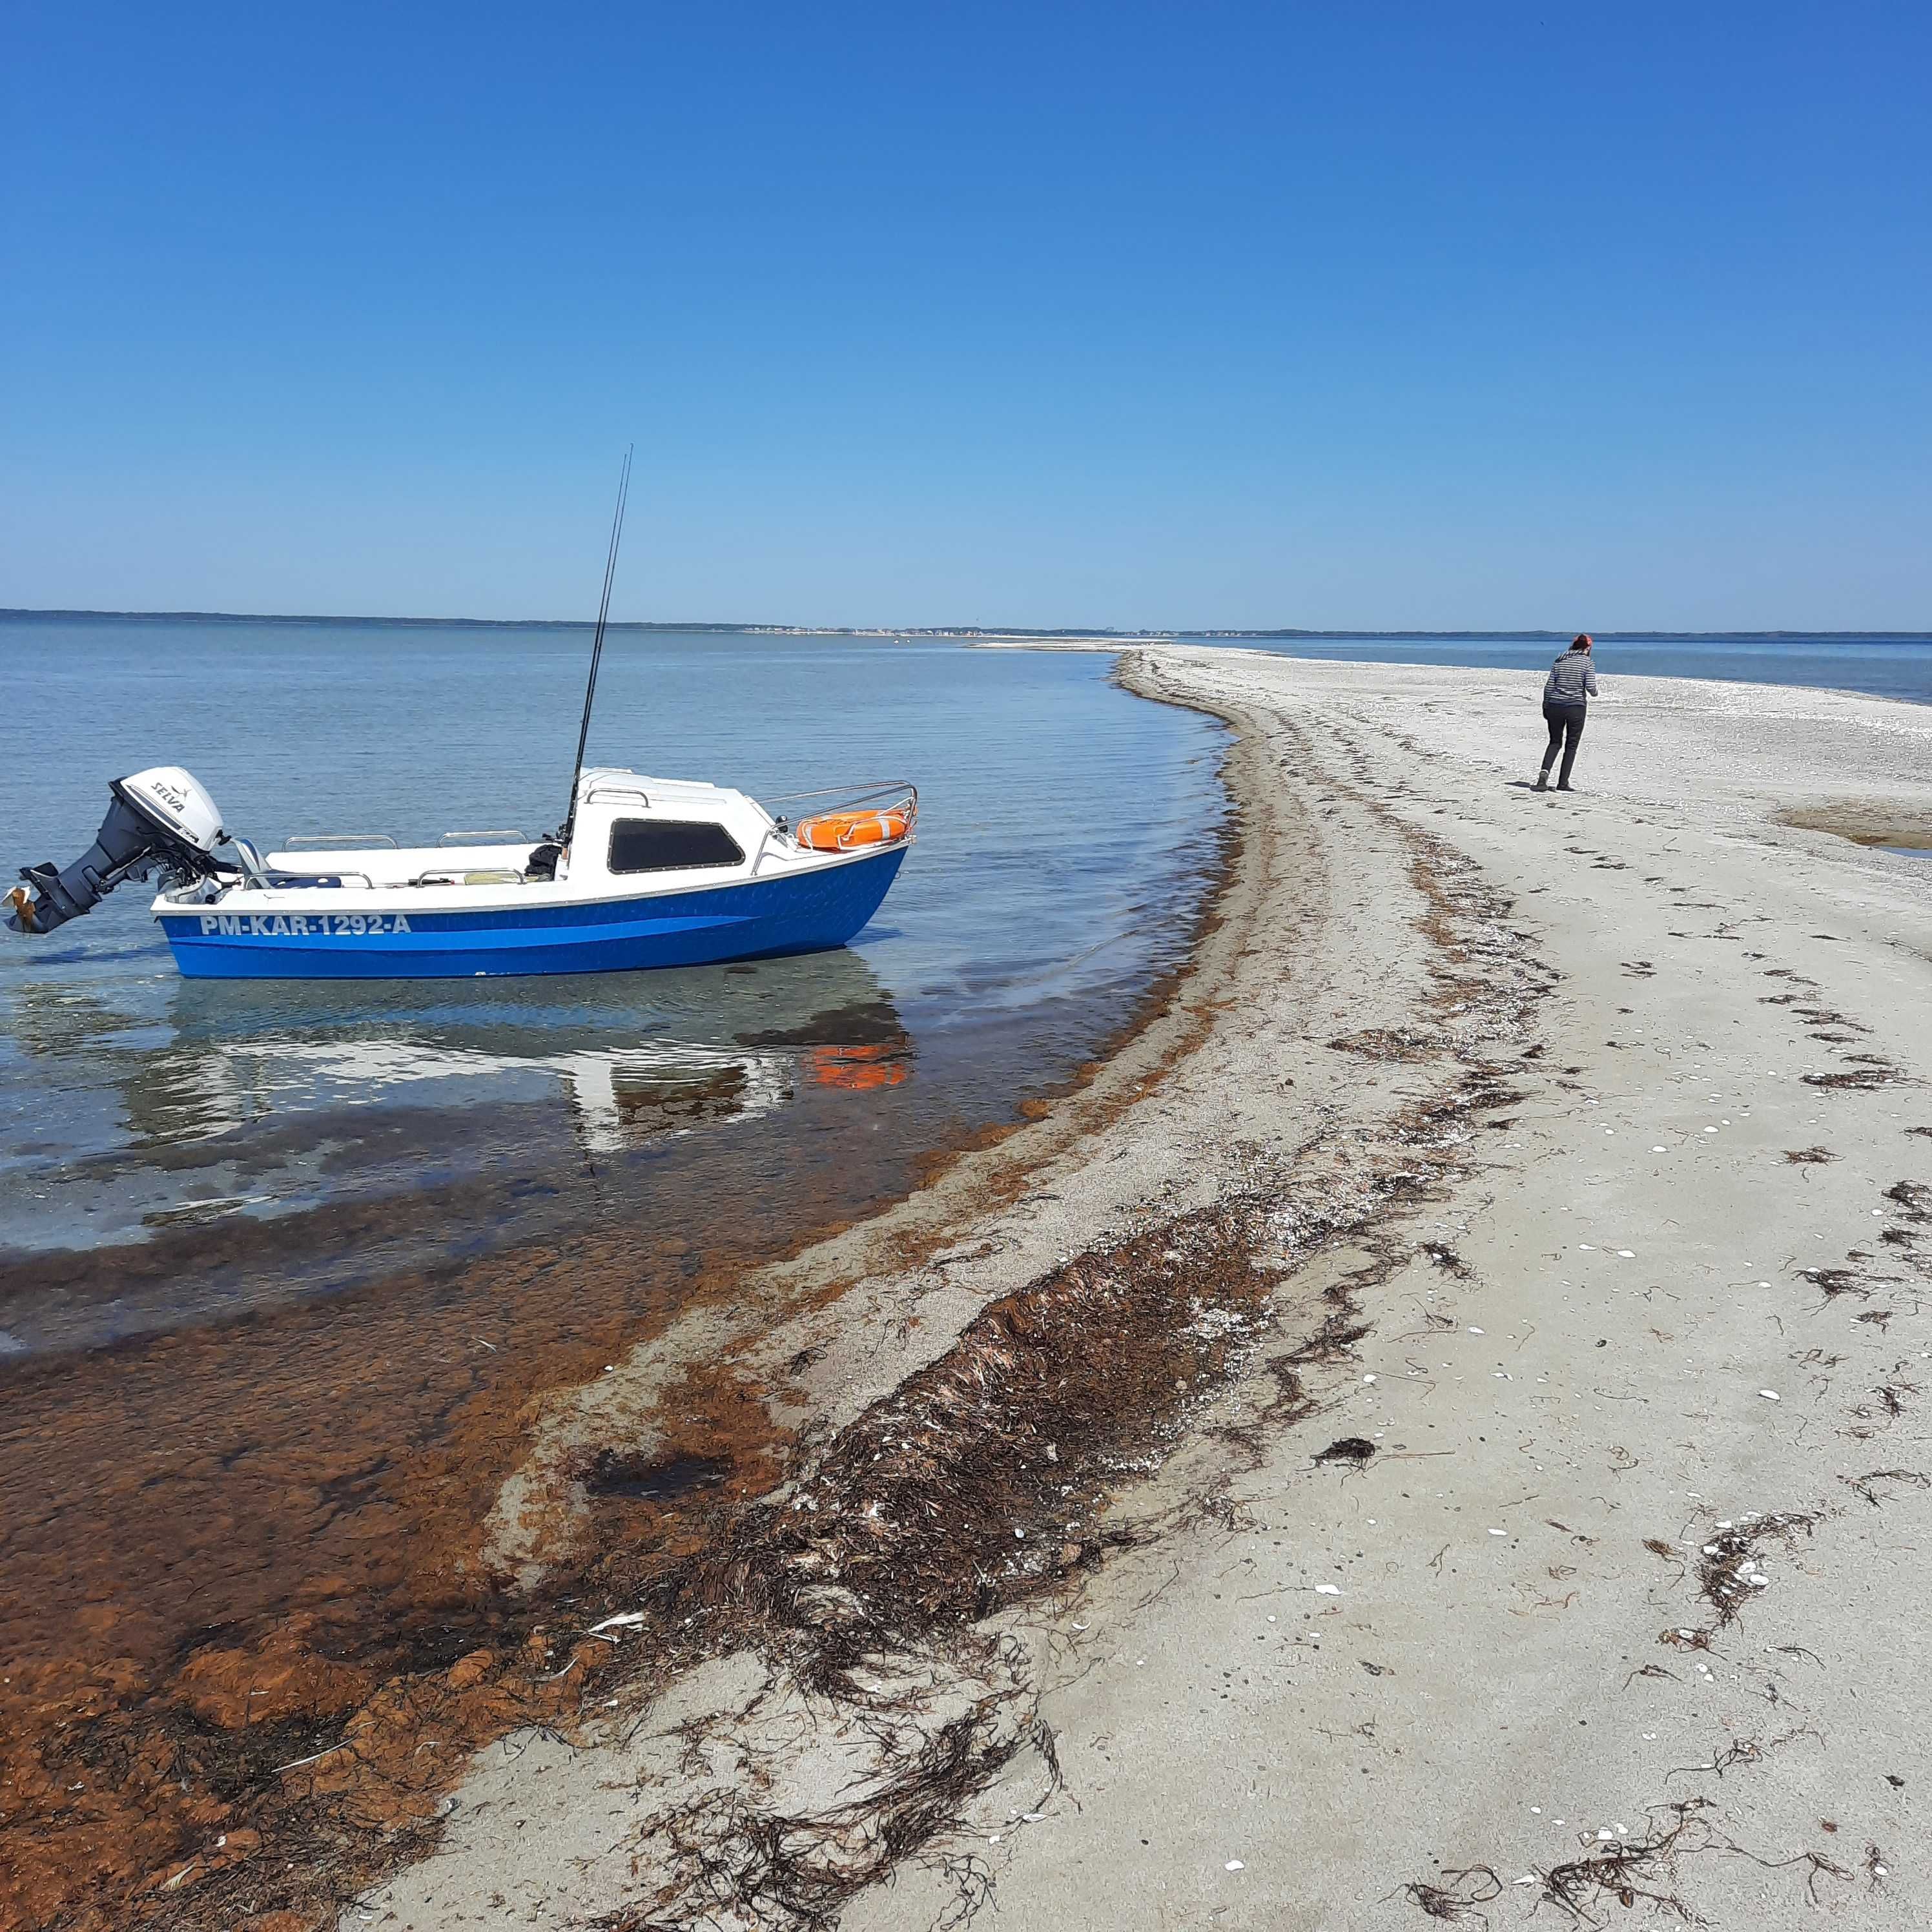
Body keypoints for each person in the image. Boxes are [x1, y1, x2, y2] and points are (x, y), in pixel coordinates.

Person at [1536, 634, 1598, 791]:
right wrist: (1596, 692)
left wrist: (1546, 705)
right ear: (1588, 647)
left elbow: (1549, 686)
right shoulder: (1587, 663)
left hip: (1555, 705)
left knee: (1555, 742)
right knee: (1571, 745)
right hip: (1576, 707)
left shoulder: (1559, 661)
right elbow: (1591, 687)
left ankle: (1543, 776)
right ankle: (1563, 783)